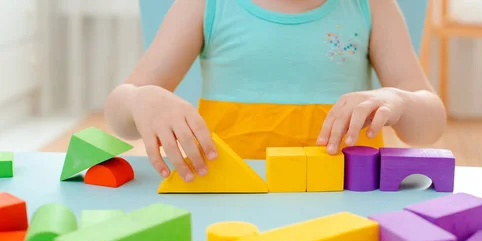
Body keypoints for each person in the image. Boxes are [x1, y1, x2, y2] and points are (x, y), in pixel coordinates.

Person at [104, 0, 446, 183]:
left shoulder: (370, 6)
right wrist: (139, 100)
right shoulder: (204, 4)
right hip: (227, 198)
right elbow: (120, 116)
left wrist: (398, 100)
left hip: (345, 202)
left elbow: (431, 124)